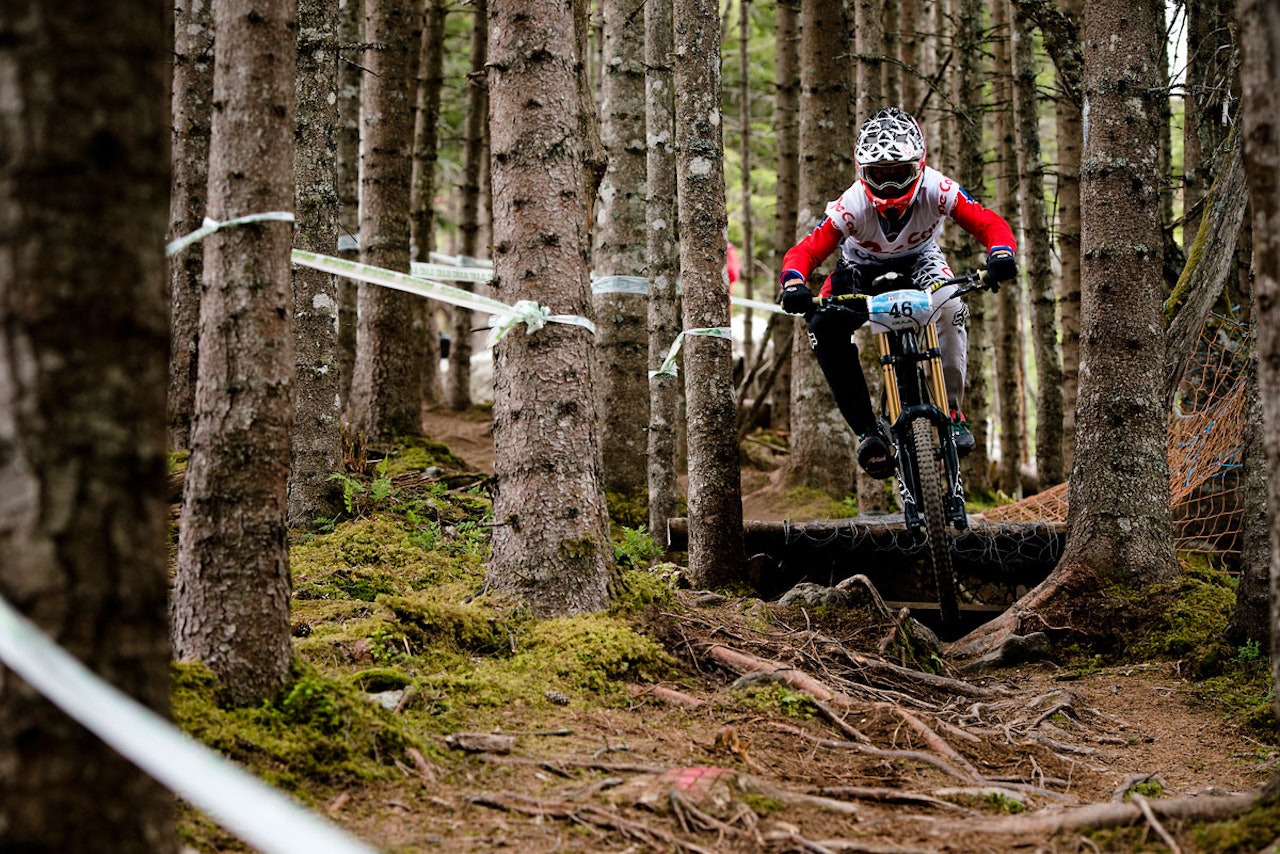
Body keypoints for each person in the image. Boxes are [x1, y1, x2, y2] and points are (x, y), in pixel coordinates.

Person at [778, 106, 1018, 479]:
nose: (889, 186)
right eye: (879, 176)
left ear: (918, 167)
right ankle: (867, 431)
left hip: (921, 261)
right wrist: (794, 282)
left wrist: (1001, 253)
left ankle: (952, 413)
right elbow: (807, 250)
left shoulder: (937, 189)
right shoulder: (852, 204)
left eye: (899, 174)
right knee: (824, 328)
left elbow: (987, 220)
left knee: (952, 307)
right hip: (861, 268)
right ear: (863, 174)